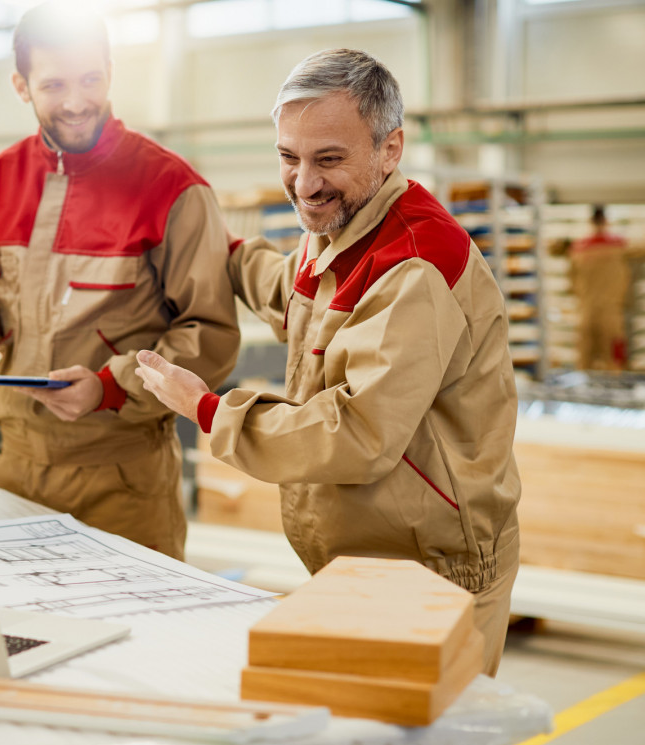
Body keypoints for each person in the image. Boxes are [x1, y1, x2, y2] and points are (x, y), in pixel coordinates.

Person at [135, 48, 520, 676]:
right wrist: (212, 242)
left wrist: (207, 409)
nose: (305, 183)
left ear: (390, 149)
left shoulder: (414, 265)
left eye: (329, 160)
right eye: (289, 157)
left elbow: (359, 434)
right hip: (364, 557)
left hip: (431, 570)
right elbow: (291, 291)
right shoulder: (346, 229)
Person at [0, 1, 240, 560]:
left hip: (121, 480)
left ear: (111, 71)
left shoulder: (170, 188)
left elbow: (208, 336)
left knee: (139, 640)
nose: (75, 101)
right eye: (54, 84)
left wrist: (110, 388)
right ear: (22, 85)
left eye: (91, 79)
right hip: (14, 469)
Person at [569, 205, 630, 371]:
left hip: (585, 312)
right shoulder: (619, 246)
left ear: (591, 222)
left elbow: (572, 282)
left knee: (584, 359)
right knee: (615, 359)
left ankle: (583, 392)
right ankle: (617, 388)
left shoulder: (578, 249)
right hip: (611, 312)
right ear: (606, 221)